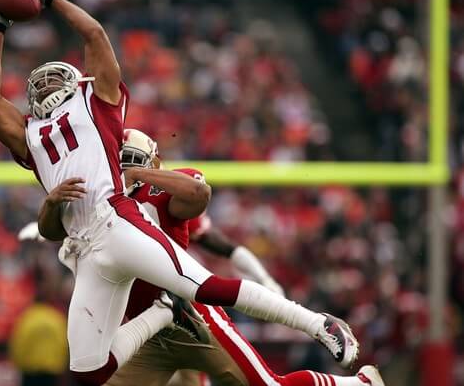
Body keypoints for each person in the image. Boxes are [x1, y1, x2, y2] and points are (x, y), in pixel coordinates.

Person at [0, 0, 358, 384]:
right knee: (88, 372)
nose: (48, 82)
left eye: (56, 76)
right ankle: (162, 314)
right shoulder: (31, 136)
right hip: (87, 248)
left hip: (116, 221)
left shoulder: (97, 101)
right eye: (41, 81)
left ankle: (319, 324)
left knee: (206, 287)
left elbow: (94, 33)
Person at [111, 129, 386, 386]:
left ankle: (358, 383)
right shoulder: (101, 204)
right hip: (147, 330)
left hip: (191, 318)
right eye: (118, 161)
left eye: (131, 162)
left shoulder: (160, 195)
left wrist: (264, 276)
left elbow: (200, 197)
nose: (122, 171)